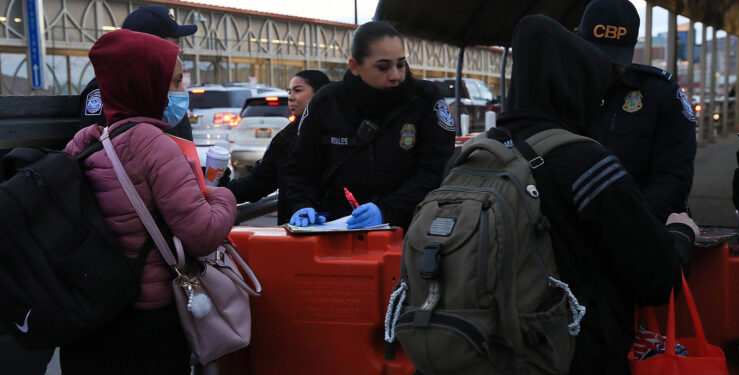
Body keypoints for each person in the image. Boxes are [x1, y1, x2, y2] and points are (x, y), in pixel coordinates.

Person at [492, 15, 698, 374]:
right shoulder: (585, 161)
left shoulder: (480, 154)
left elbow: (673, 173)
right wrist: (675, 234)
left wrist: (637, 222)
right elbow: (657, 277)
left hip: (491, 347)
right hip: (573, 349)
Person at [61, 29, 236, 374]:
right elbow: (202, 233)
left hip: (90, 312)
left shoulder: (83, 142)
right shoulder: (153, 144)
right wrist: (223, 196)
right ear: (144, 84)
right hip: (146, 321)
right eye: (173, 83)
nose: (179, 93)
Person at [285, 21, 456, 229]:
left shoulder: (425, 100)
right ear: (355, 67)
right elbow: (300, 167)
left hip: (410, 230)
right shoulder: (327, 102)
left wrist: (387, 210)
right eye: (383, 67)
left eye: (401, 65)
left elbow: (437, 169)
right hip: (337, 232)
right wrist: (302, 204)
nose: (395, 76)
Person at [576, 0, 697, 223]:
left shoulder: (660, 93)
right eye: (597, 56)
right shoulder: (562, 91)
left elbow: (673, 178)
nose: (606, 67)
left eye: (615, 59)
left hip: (642, 228)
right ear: (576, 39)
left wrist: (631, 229)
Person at [225, 70, 330, 225]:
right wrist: (222, 189)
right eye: (290, 92)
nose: (291, 97)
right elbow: (258, 182)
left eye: (298, 90)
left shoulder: (341, 134)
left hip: (340, 232)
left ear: (319, 94)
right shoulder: (285, 139)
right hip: (295, 232)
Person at [78, 4, 196, 141]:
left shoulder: (163, 88)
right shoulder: (106, 89)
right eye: (175, 43)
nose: (180, 50)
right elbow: (92, 148)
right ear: (151, 45)